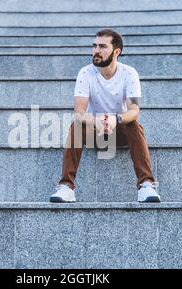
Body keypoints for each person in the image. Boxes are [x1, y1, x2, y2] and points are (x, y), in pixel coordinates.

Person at [50, 29, 161, 203]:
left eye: (102, 46)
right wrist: (96, 121)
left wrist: (115, 119)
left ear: (116, 52)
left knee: (133, 124)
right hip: (94, 133)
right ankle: (66, 187)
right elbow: (79, 111)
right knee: (76, 125)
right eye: (94, 46)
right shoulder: (85, 73)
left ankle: (146, 185)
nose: (96, 51)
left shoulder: (129, 73)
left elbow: (134, 110)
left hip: (119, 131)